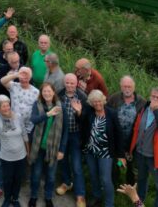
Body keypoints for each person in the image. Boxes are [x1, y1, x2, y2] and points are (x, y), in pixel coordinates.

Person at [129, 87, 158, 207]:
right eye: (153, 96)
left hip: (155, 156)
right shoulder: (143, 108)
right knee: (141, 179)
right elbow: (136, 128)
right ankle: (139, 203)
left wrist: (157, 111)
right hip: (140, 153)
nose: (154, 99)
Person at [81, 90, 122, 207]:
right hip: (90, 151)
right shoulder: (89, 113)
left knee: (105, 179)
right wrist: (78, 112)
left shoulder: (112, 114)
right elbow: (83, 127)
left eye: (99, 101)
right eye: (94, 102)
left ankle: (109, 203)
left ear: (103, 101)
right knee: (93, 175)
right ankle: (97, 197)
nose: (97, 104)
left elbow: (119, 134)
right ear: (91, 103)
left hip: (106, 152)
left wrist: (121, 155)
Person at [28, 82, 65, 207]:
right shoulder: (37, 105)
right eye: (44, 91)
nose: (47, 93)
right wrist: (48, 114)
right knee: (36, 174)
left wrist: (62, 150)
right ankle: (33, 196)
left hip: (53, 148)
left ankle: (48, 198)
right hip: (38, 147)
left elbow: (65, 131)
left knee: (50, 176)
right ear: (41, 93)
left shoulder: (61, 106)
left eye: (49, 91)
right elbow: (33, 120)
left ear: (54, 92)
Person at [107, 75, 145, 187]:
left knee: (131, 166)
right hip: (117, 140)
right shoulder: (114, 98)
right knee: (116, 164)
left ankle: (131, 187)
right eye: (124, 86)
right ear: (121, 87)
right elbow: (107, 114)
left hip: (133, 141)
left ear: (134, 87)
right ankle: (114, 185)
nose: (127, 89)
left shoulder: (141, 102)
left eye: (129, 86)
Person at [56, 73, 88, 206]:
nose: (69, 85)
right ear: (64, 83)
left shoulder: (82, 97)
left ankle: (80, 195)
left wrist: (79, 112)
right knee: (62, 160)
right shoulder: (59, 95)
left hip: (76, 135)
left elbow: (86, 120)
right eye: (67, 83)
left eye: (72, 83)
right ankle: (67, 183)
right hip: (62, 134)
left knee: (76, 165)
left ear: (77, 84)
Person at [0, 67, 40, 134]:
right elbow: (2, 81)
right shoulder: (14, 86)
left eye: (26, 77)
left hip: (27, 127)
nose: (24, 79)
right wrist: (15, 75)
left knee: (26, 143)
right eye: (22, 76)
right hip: (14, 125)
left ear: (30, 78)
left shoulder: (36, 92)